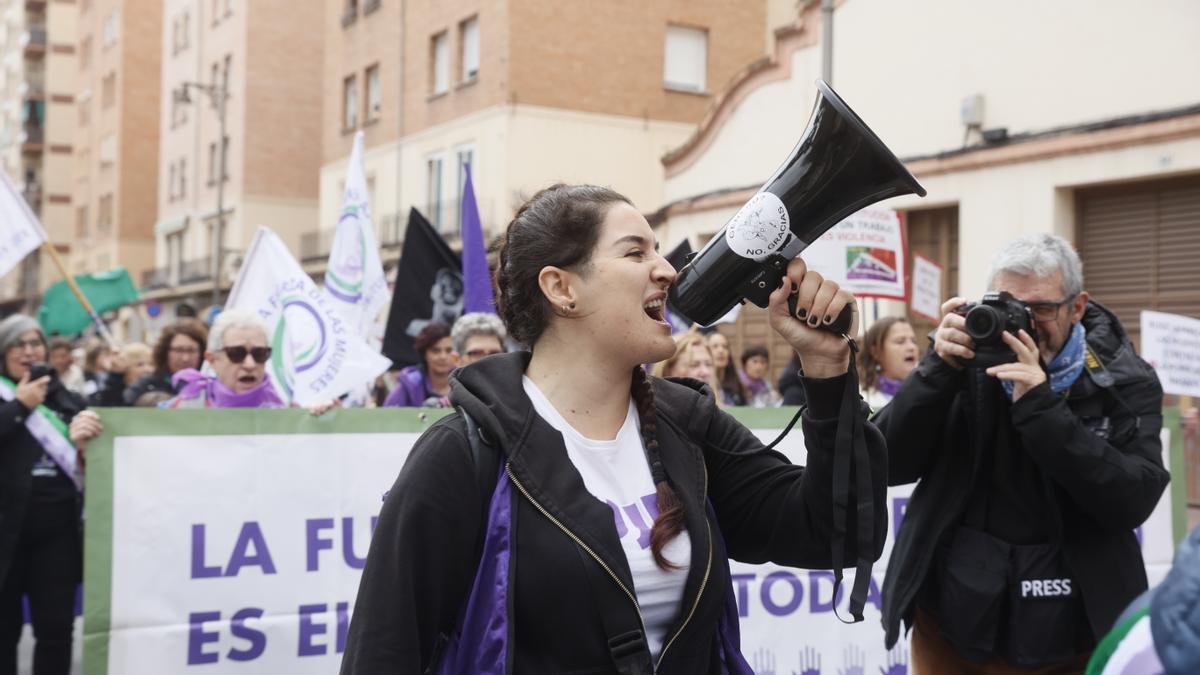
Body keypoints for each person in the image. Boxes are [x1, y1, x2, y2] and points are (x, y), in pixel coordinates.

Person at [341, 183, 887, 673]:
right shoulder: (462, 455)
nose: (668, 270)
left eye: (658, 250)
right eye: (635, 252)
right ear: (561, 288)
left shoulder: (685, 424)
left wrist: (827, 370)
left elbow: (835, 534)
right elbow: (383, 652)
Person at [877, 233, 1169, 672]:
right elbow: (886, 463)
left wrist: (1042, 410)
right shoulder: (964, 364)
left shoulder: (1124, 381)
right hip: (953, 620)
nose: (1025, 322)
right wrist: (937, 371)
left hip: (1077, 625)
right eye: (1011, 306)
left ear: (1077, 307)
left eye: (1041, 309)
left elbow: (1132, 499)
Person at [0, 315, 102, 675]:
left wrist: (88, 440)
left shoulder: (62, 396)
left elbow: (94, 446)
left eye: (35, 344)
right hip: (6, 534)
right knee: (3, 632)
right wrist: (19, 406)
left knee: (56, 629)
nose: (28, 352)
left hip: (57, 533)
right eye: (18, 345)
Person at [125, 319, 208, 405]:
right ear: (164, 352)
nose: (185, 358)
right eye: (179, 350)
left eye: (191, 351)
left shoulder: (209, 386)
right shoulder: (148, 384)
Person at [383, 322, 457, 408]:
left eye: (449, 350)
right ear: (424, 353)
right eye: (435, 350)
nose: (443, 357)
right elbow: (387, 412)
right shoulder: (409, 383)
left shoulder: (464, 382)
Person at [857, 316, 919, 412]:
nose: (911, 347)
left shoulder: (928, 394)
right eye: (900, 341)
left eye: (914, 341)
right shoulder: (862, 403)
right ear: (875, 352)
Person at [88, 342, 153, 407]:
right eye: (140, 364)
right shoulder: (111, 393)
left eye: (151, 364)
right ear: (124, 368)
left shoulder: (153, 390)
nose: (148, 369)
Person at [706, 331, 748, 406]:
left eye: (725, 347)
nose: (721, 351)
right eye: (715, 346)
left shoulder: (737, 383)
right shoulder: (702, 384)